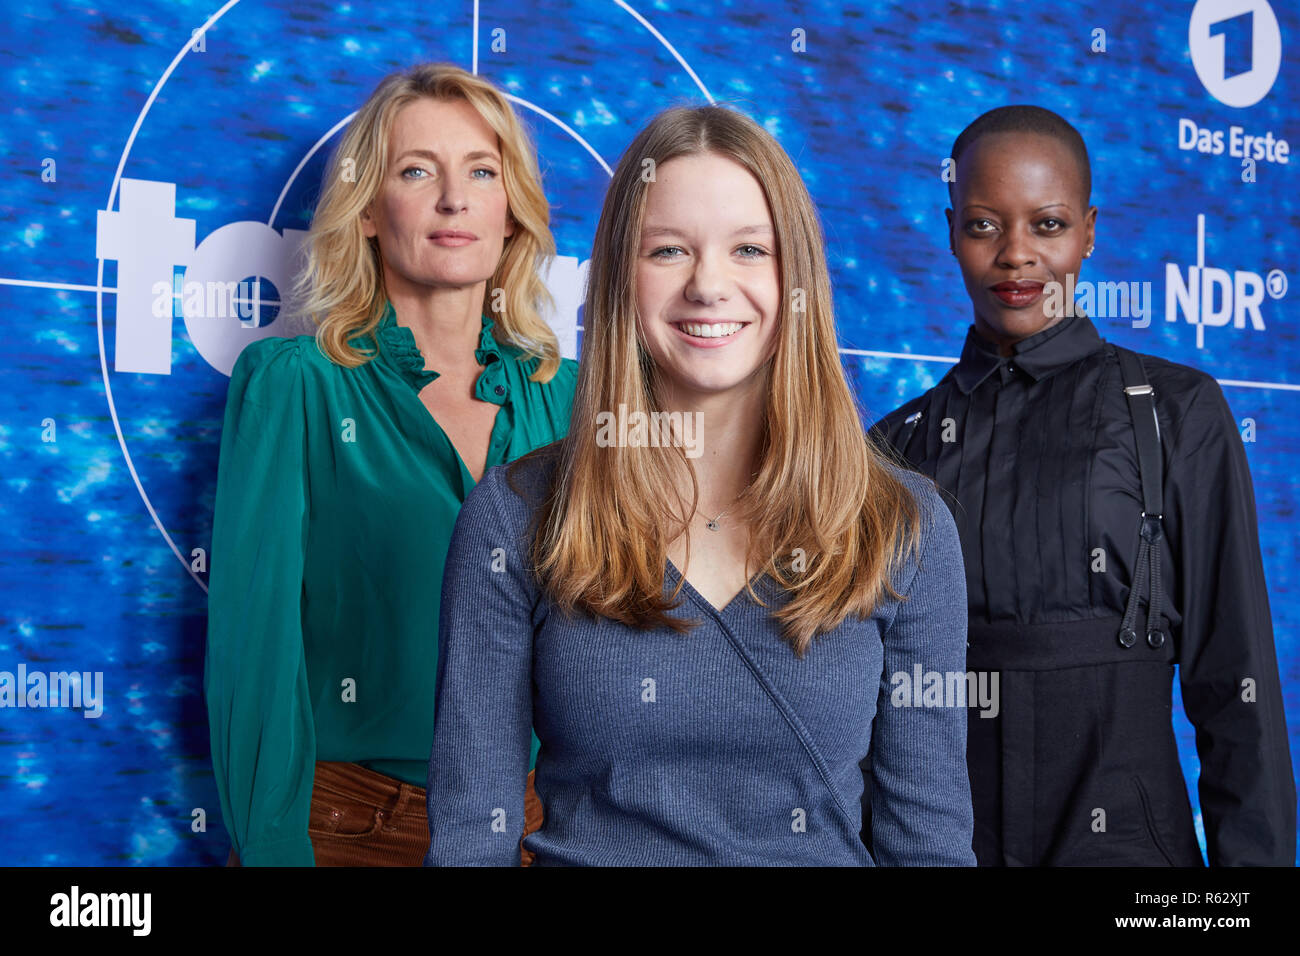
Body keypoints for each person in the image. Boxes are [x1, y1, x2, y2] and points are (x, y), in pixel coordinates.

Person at [424, 104, 975, 866]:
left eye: (750, 249)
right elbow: (468, 843)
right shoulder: (514, 519)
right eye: (669, 251)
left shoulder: (905, 527)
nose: (709, 285)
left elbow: (931, 848)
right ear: (620, 279)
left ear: (796, 280)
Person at [870, 105, 1295, 866]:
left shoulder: (1176, 410)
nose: (1016, 256)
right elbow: (866, 712)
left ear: (1090, 231)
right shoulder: (892, 449)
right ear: (951, 232)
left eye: (1049, 224)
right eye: (983, 226)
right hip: (949, 850)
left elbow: (1237, 687)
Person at [205, 63, 577, 866]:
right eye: (418, 171)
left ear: (511, 209)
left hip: (540, 830)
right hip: (347, 826)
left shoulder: (572, 400)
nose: (455, 199)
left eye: (482, 171)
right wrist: (273, 851)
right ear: (369, 209)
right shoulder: (296, 385)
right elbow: (254, 650)